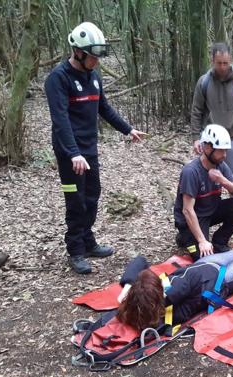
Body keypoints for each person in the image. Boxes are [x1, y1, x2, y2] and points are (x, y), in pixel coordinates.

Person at [45, 22, 147, 274]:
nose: (96, 62)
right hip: (70, 153)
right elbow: (60, 121)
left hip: (89, 150)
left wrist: (127, 129)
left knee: (92, 195)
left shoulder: (94, 77)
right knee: (75, 200)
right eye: (92, 57)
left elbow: (105, 109)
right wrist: (73, 153)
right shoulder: (58, 79)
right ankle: (76, 250)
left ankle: (88, 241)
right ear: (77, 52)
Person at [117, 226, 233, 330]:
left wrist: (127, 286)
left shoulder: (132, 300)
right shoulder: (169, 315)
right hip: (221, 280)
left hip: (205, 265)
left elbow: (139, 261)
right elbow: (192, 308)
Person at [190, 42, 233, 228]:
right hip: (209, 137)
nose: (223, 67)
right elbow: (196, 111)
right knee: (205, 173)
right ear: (212, 61)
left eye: (226, 63)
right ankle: (204, 211)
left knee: (232, 175)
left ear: (230, 61)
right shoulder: (204, 82)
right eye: (219, 63)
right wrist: (195, 137)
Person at [173, 124, 233, 261]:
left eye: (225, 151)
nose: (224, 155)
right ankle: (185, 236)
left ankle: (219, 241)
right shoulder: (191, 172)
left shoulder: (221, 166)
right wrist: (202, 241)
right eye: (221, 151)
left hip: (210, 211)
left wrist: (222, 180)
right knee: (205, 258)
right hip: (191, 218)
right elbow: (187, 211)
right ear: (207, 148)